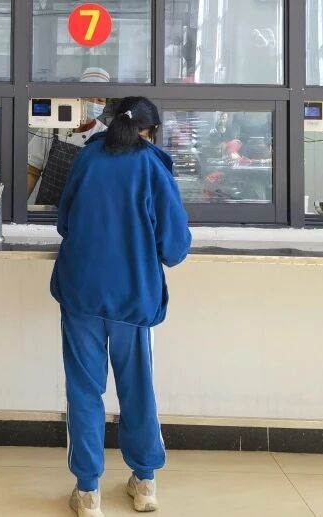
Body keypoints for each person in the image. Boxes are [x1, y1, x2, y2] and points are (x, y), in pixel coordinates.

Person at [51, 97, 191, 517]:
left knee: (83, 389)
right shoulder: (152, 165)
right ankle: (144, 482)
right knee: (137, 387)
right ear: (151, 131)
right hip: (133, 295)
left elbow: (64, 223)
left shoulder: (87, 158)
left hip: (82, 292)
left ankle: (88, 492)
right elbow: (174, 248)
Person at [26, 67, 110, 206]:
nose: (94, 103)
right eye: (89, 96)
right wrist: (17, 209)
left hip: (81, 212)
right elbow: (32, 171)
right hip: (46, 212)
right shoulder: (53, 125)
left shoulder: (105, 135)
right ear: (79, 96)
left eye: (100, 100)